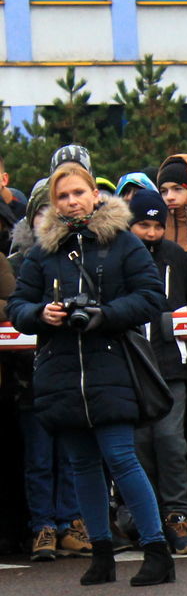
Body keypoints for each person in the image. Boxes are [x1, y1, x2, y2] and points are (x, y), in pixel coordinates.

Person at [7, 162, 172, 587]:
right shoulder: (41, 253)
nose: (71, 201)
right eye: (62, 196)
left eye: (78, 193)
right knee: (82, 464)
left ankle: (156, 550)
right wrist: (41, 313)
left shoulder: (121, 242)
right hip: (62, 372)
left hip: (112, 365)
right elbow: (18, 307)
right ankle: (102, 554)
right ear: (52, 204)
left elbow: (152, 296)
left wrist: (104, 315)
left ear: (94, 195)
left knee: (120, 458)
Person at [3, 181, 92, 562]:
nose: (45, 220)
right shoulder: (18, 265)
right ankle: (43, 525)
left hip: (71, 372)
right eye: (38, 213)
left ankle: (72, 521)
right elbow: (15, 310)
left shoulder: (75, 258)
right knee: (39, 458)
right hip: (29, 381)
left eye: (49, 214)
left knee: (71, 455)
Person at [126, 189, 187, 555]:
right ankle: (146, 519)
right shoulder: (118, 257)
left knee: (171, 441)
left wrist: (185, 354)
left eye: (158, 225)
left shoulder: (176, 257)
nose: (152, 233)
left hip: (171, 364)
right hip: (131, 366)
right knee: (139, 446)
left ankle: (177, 516)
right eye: (144, 225)